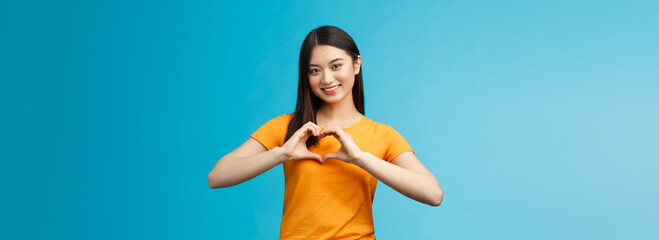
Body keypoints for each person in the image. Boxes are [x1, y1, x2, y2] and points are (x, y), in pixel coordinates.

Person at [208, 25, 443, 240]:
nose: (327, 79)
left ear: (356, 64)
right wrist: (281, 154)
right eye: (314, 70)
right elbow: (217, 177)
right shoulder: (287, 127)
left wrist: (361, 158)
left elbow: (433, 194)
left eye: (336, 66)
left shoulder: (382, 135)